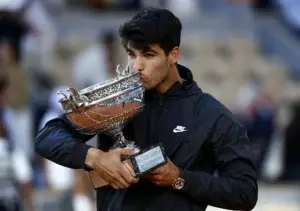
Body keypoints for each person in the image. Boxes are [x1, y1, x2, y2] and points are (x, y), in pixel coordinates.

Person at [35, 8, 258, 211]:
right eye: (132, 54)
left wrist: (179, 178)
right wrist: (95, 158)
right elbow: (47, 137)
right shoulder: (115, 101)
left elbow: (245, 193)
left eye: (148, 55)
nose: (136, 66)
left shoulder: (211, 114)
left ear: (173, 55)